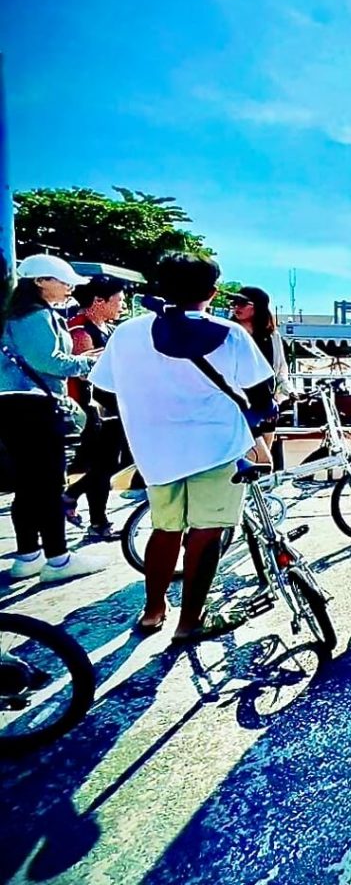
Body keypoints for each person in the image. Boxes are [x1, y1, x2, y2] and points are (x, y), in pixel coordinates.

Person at [90, 252, 274, 640]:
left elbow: (104, 394)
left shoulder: (126, 334)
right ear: (211, 292)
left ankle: (153, 611)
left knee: (164, 529)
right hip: (218, 448)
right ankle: (191, 621)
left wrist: (149, 414)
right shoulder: (230, 334)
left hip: (155, 452)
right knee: (207, 531)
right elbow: (261, 394)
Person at [0, 254, 106, 582]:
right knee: (47, 484)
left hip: (15, 405)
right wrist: (88, 363)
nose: (69, 287)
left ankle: (28, 555)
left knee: (28, 485)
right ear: (40, 282)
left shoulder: (17, 314)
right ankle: (58, 559)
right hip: (35, 407)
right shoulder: (36, 315)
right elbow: (50, 362)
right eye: (63, 281)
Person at [63, 275, 127, 539]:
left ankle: (80, 505)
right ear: (99, 301)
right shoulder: (80, 330)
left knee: (106, 465)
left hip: (110, 407)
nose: (122, 306)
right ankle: (94, 518)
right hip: (91, 409)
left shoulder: (108, 330)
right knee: (104, 465)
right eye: (119, 300)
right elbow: (83, 374)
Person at [229, 285, 291, 467]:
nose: (236, 307)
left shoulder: (271, 336)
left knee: (262, 465)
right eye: (233, 302)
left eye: (242, 303)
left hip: (266, 406)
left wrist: (283, 393)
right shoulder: (230, 334)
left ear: (258, 307)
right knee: (262, 461)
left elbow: (280, 367)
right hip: (240, 407)